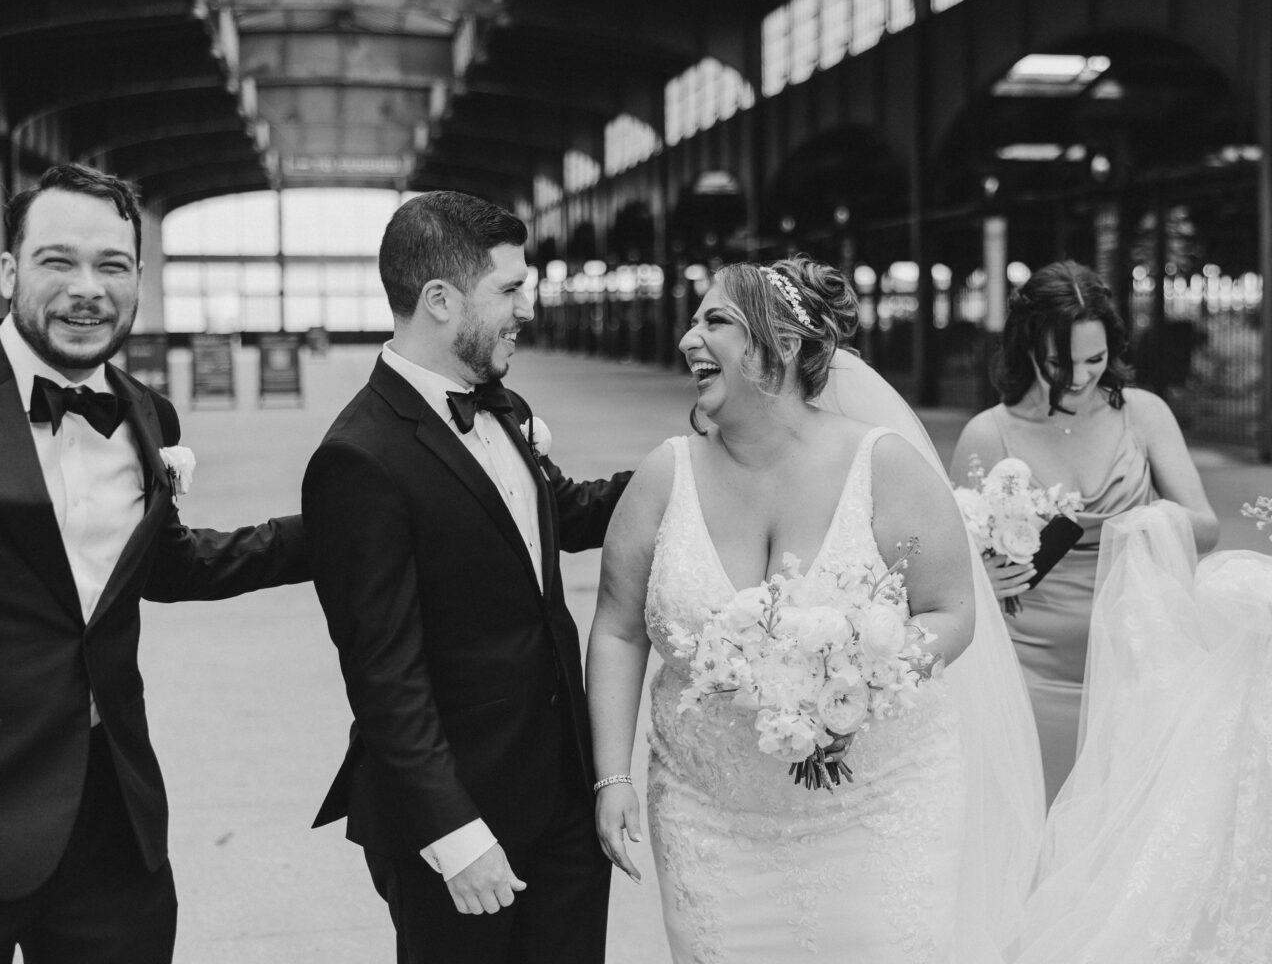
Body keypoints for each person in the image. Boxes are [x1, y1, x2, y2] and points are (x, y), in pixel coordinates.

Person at [587, 258, 978, 962]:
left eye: (715, 321)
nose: (688, 338)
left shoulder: (883, 467)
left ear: (785, 345)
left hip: (878, 807)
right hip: (708, 817)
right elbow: (618, 628)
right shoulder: (664, 476)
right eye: (693, 320)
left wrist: (859, 681)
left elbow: (950, 610)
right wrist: (611, 777)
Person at [302, 191, 631, 964]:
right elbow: (385, 675)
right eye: (510, 290)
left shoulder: (502, 406)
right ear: (441, 300)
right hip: (459, 820)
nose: (527, 310)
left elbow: (561, 515)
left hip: (562, 790)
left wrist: (684, 470)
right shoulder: (358, 457)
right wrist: (454, 833)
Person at [0, 164, 308, 964]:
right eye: (57, 261)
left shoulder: (143, 412)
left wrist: (329, 532)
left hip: (109, 808)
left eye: (111, 265)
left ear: (139, 275)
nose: (87, 289)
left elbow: (163, 567)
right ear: (8, 271)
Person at [949, 259, 1218, 803]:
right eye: (1059, 362)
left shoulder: (1143, 414)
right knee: (1040, 821)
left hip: (1136, 658)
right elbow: (950, 567)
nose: (1078, 378)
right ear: (1027, 347)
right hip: (1031, 670)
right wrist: (981, 580)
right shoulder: (987, 434)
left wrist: (1139, 523)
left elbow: (1206, 527)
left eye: (1094, 360)